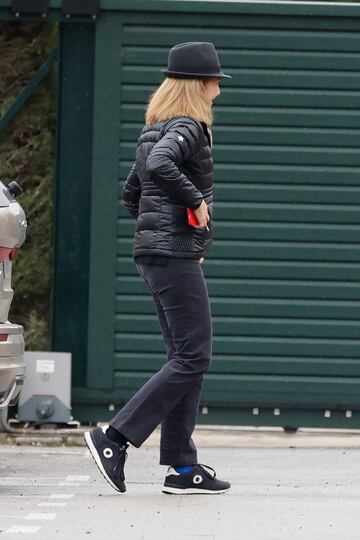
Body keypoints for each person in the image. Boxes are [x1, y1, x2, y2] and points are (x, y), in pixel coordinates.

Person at [84, 42, 231, 495]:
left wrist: (166, 233)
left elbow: (134, 193)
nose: (218, 92)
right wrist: (193, 210)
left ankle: (182, 469)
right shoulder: (187, 127)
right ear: (197, 85)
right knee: (194, 355)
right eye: (214, 83)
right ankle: (114, 438)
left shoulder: (156, 128)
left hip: (158, 256)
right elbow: (162, 167)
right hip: (171, 259)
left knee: (185, 358)